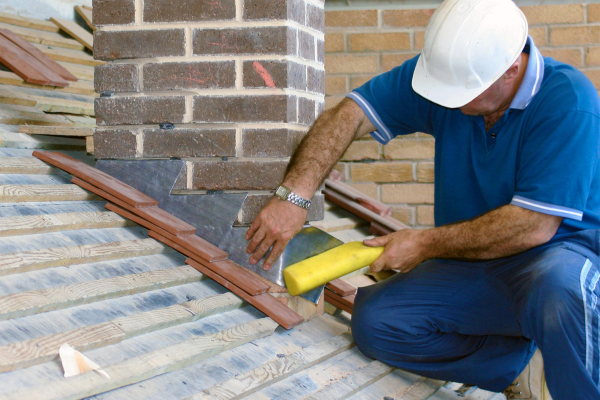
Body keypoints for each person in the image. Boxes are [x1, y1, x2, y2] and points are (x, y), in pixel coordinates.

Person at [245, 0, 600, 398]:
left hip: (558, 256)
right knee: (377, 322)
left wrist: (422, 243)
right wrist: (295, 195)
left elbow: (533, 226)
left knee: (560, 292)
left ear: (511, 70)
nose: (449, 103)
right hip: (476, 260)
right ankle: (514, 365)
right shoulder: (448, 77)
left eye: (464, 94)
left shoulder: (568, 101)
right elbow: (350, 114)